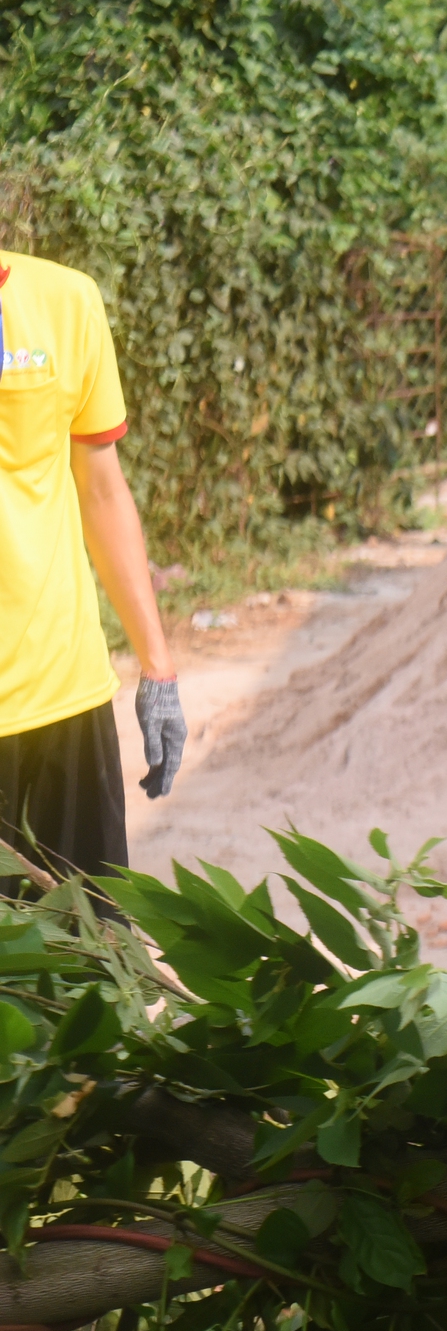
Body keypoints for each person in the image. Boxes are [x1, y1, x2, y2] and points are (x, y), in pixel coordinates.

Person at [0, 249, 184, 883]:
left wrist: (157, 667)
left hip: (63, 702)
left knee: (87, 965)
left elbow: (101, 488)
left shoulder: (65, 301)